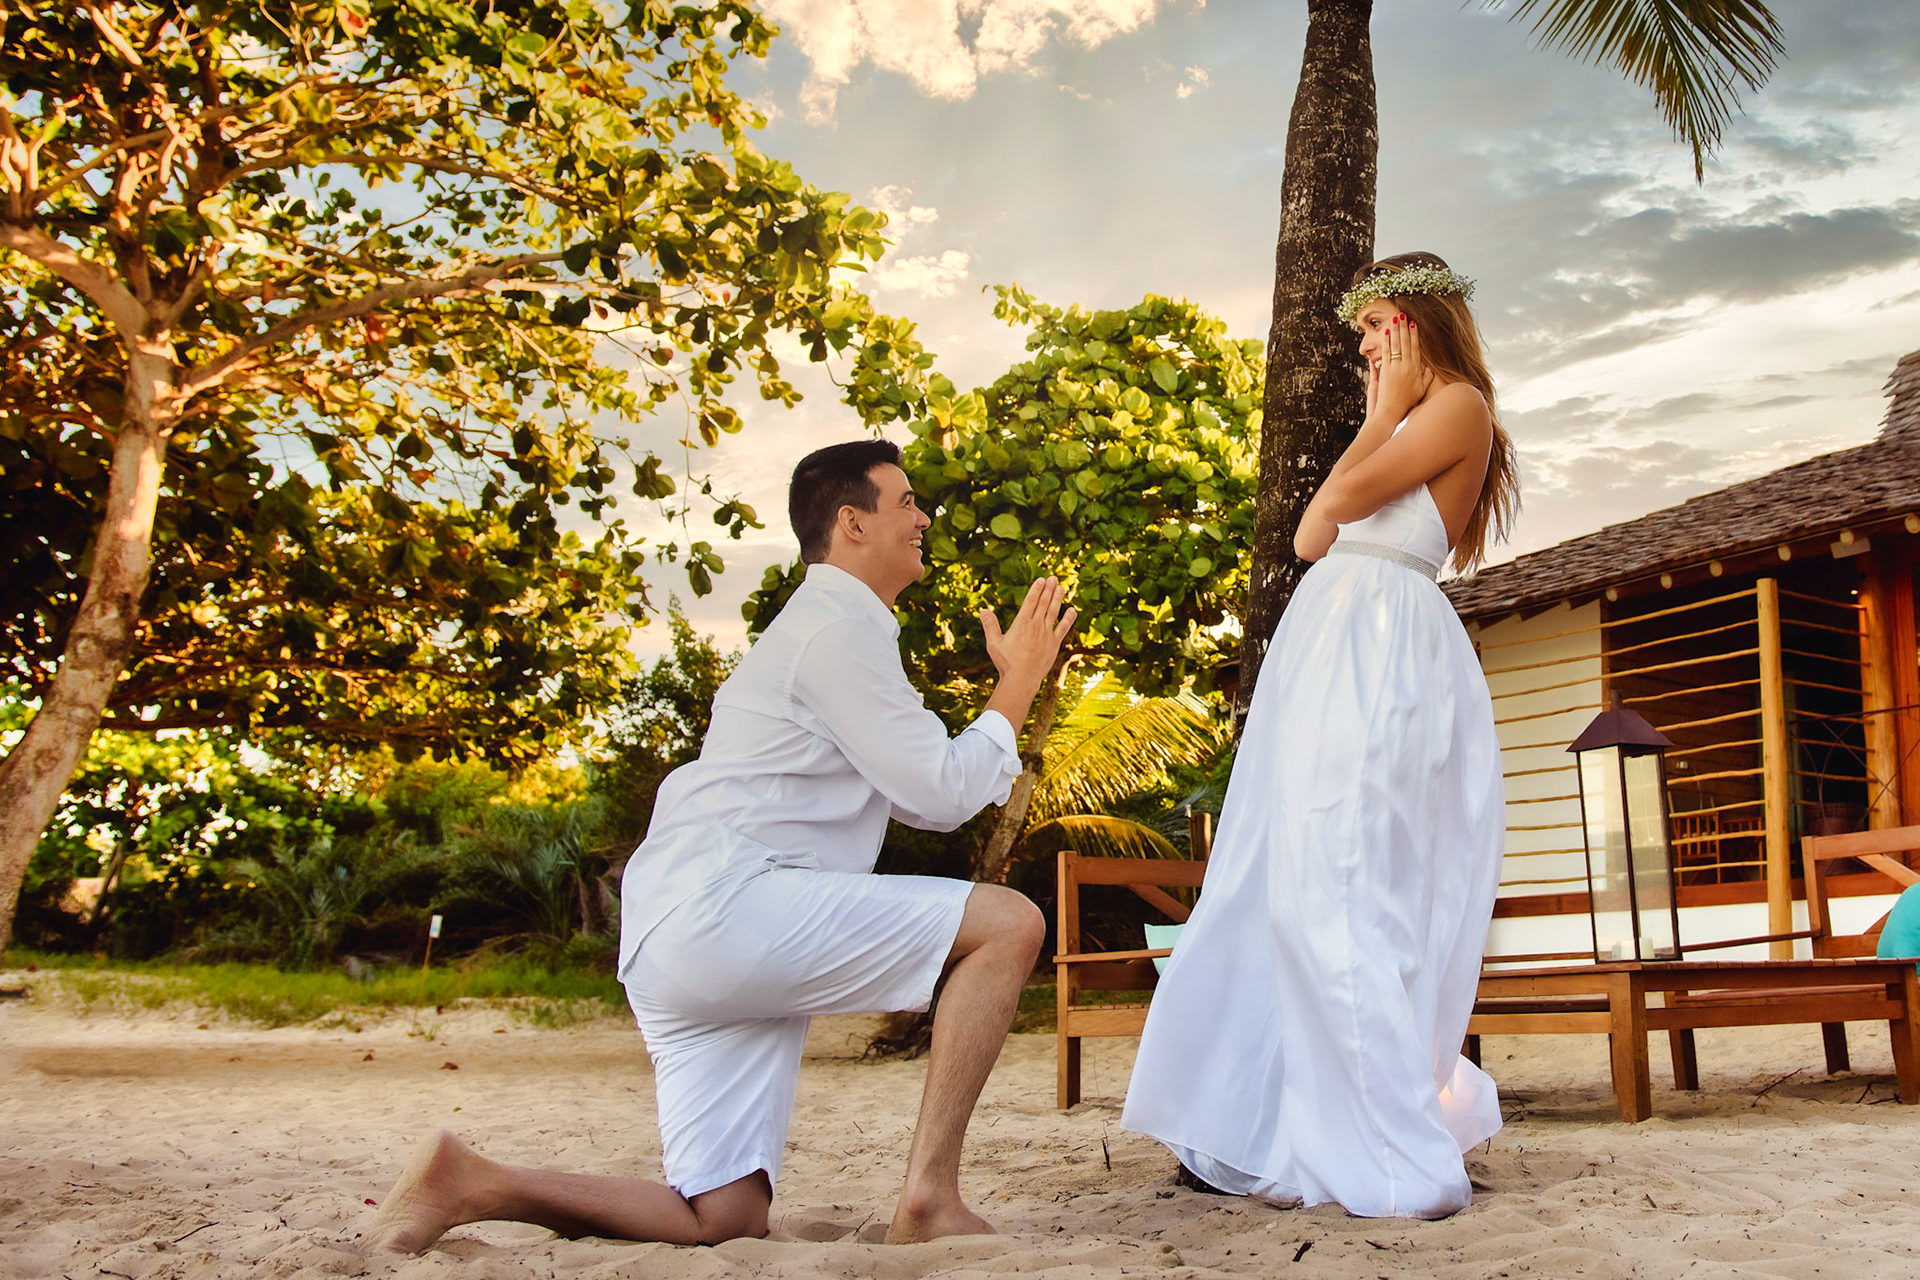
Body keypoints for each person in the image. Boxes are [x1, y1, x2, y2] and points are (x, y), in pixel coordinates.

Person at [365, 439, 1077, 1252]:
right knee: (1009, 924)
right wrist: (1019, 679)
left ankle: (468, 1181)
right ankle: (930, 1198)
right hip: (729, 909)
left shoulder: (827, 629)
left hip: (683, 932)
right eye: (907, 501)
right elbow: (941, 796)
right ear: (851, 523)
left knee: (723, 1218)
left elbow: (923, 786)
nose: (923, 518)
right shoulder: (835, 629)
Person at [1122, 252, 1519, 1219]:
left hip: (1382, 645)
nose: (1366, 346)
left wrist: (1382, 417)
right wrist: (1381, 418)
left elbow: (1337, 508)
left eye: (1376, 326)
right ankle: (1264, 1123)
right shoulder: (1404, 419)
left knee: (1344, 884)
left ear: (1418, 321)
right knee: (1283, 876)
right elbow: (1307, 539)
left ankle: (1375, 1136)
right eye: (1363, 333)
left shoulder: (1459, 407)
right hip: (1333, 644)